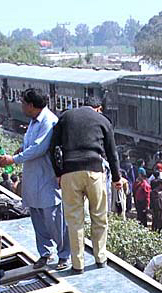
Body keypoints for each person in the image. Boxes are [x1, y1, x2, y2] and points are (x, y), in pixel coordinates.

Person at [49, 95, 123, 273]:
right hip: (94, 171)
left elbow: (52, 148)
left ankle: (78, 264)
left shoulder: (66, 117)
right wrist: (116, 178)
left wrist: (58, 173)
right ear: (98, 108)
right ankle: (100, 258)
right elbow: (112, 153)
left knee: (75, 221)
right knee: (99, 216)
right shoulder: (102, 120)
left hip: (69, 172)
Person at [1, 89, 68, 269]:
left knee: (55, 219)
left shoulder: (49, 121)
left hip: (46, 178)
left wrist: (14, 159)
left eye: (23, 103)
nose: (21, 106)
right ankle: (45, 253)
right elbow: (29, 144)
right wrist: (20, 149)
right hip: (33, 178)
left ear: (31, 105)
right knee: (37, 218)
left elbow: (39, 148)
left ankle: (64, 254)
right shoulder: (32, 122)